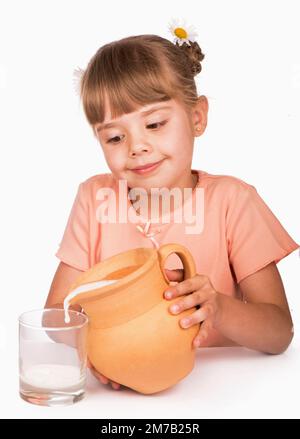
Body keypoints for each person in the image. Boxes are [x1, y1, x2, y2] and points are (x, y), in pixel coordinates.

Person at [45, 21, 300, 391]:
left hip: (231, 392)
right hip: (122, 400)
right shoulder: (94, 199)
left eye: (155, 123)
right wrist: (97, 347)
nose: (137, 147)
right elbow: (56, 315)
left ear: (197, 117)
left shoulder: (233, 202)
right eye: (115, 137)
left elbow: (280, 333)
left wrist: (218, 308)